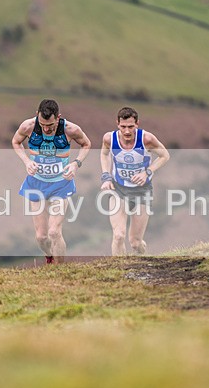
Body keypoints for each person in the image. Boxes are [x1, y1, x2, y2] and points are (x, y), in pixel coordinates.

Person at [12, 99, 91, 264]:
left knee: (54, 232)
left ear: (58, 118)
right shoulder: (28, 126)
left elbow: (86, 144)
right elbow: (16, 142)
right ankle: (49, 257)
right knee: (41, 237)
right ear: (37, 116)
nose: (47, 129)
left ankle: (60, 270)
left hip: (60, 185)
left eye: (51, 125)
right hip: (36, 185)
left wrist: (76, 164)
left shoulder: (71, 129)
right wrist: (27, 161)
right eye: (43, 125)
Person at [100, 106, 170, 255]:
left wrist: (147, 172)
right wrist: (106, 176)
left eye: (131, 127)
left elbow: (165, 156)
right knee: (118, 235)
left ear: (137, 124)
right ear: (117, 124)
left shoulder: (146, 139)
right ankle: (119, 273)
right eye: (123, 127)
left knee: (135, 243)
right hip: (118, 189)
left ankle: (142, 259)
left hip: (142, 191)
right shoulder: (109, 139)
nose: (127, 131)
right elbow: (104, 154)